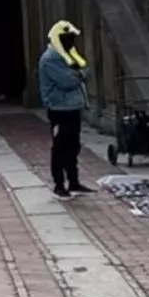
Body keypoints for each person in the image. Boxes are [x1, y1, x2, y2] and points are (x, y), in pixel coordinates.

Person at [38, 19, 90, 199]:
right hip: (59, 108)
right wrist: (79, 76)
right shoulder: (51, 58)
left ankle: (74, 182)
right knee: (60, 147)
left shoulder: (66, 55)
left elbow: (84, 70)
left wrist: (79, 74)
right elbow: (68, 81)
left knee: (73, 146)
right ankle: (59, 185)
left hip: (72, 107)